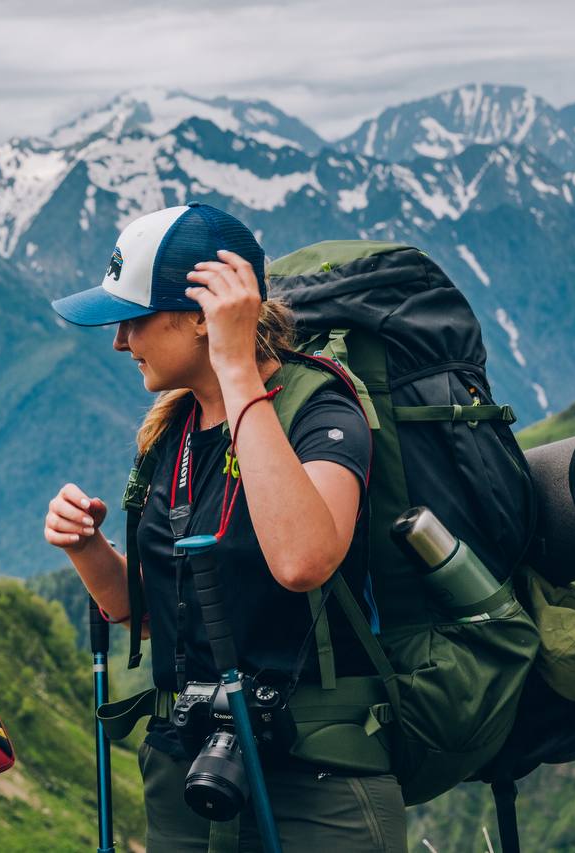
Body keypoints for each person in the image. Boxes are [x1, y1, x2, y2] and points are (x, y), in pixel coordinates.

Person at [44, 204, 405, 851]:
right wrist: (87, 547)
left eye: (133, 320)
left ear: (199, 316)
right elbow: (160, 614)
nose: (120, 342)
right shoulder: (172, 433)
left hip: (315, 779)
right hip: (193, 772)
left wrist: (236, 367)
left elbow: (303, 560)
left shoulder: (321, 406)